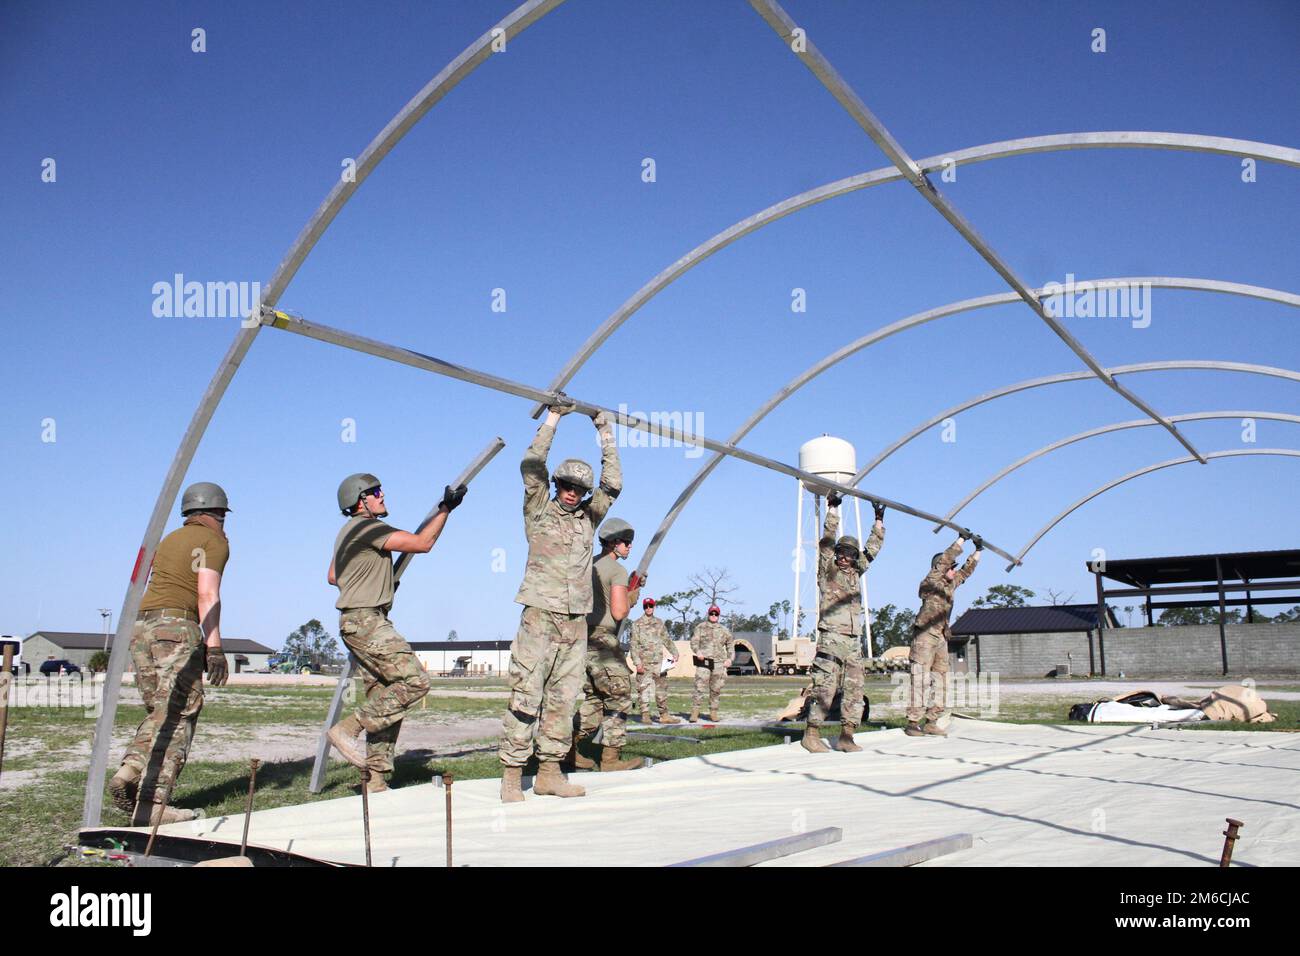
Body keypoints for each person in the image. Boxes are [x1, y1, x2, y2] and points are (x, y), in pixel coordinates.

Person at [498, 399, 620, 802]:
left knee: (564, 699)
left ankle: (550, 772)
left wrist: (604, 429)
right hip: (540, 616)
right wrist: (553, 419)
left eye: (579, 490)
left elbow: (613, 484)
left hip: (575, 621)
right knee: (525, 693)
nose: (572, 494)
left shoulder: (589, 518)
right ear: (557, 486)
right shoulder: (538, 509)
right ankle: (513, 776)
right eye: (566, 487)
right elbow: (532, 464)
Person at [325, 474, 466, 791]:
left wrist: (376, 577)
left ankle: (374, 779)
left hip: (355, 621)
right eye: (375, 492)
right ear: (361, 500)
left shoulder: (347, 533)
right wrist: (446, 508)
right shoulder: (369, 527)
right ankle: (349, 728)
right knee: (414, 681)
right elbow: (422, 544)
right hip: (367, 621)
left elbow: (333, 576)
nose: (382, 494)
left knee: (385, 697)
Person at [108, 482, 232, 826]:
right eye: (223, 516)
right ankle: (153, 803)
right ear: (217, 514)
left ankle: (131, 768)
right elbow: (207, 594)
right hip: (176, 626)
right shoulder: (214, 541)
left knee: (161, 709)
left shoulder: (168, 540)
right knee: (181, 710)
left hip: (140, 627)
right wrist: (215, 646)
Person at [802, 493, 884, 754]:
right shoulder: (829, 571)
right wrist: (833, 511)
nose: (844, 558)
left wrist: (879, 521)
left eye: (849, 554)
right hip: (831, 638)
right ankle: (811, 734)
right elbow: (826, 543)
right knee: (825, 686)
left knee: (855, 689)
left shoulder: (856, 574)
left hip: (852, 641)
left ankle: (847, 735)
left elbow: (872, 550)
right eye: (841, 553)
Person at [571, 518, 644, 772]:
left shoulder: (589, 565)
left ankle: (566, 749)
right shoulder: (617, 571)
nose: (629, 547)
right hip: (603, 641)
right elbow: (619, 611)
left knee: (595, 700)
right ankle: (610, 760)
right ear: (613, 543)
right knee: (620, 697)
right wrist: (632, 594)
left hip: (582, 640)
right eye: (626, 542)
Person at [906, 531, 981, 737]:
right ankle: (913, 722)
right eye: (951, 568)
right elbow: (945, 560)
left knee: (941, 680)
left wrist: (978, 551)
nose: (953, 571)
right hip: (925, 635)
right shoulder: (932, 582)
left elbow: (966, 573)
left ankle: (932, 720)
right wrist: (961, 540)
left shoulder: (950, 585)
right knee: (920, 678)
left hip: (941, 636)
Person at [630, 598, 680, 724]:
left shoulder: (659, 623)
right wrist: (637, 663)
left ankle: (664, 715)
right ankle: (645, 715)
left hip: (659, 663)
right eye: (646, 606)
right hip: (644, 663)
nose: (648, 608)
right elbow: (633, 645)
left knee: (662, 689)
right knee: (643, 689)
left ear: (654, 606)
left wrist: (675, 652)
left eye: (650, 606)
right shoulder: (637, 624)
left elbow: (667, 640)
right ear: (643, 607)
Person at [689, 606, 734, 722]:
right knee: (699, 687)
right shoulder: (700, 627)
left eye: (716, 614)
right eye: (712, 613)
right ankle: (695, 712)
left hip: (719, 663)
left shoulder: (724, 630)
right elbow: (694, 642)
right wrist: (697, 651)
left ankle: (713, 712)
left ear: (719, 615)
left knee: (716, 689)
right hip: (704, 661)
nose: (714, 615)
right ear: (708, 614)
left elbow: (730, 646)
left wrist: (729, 659)